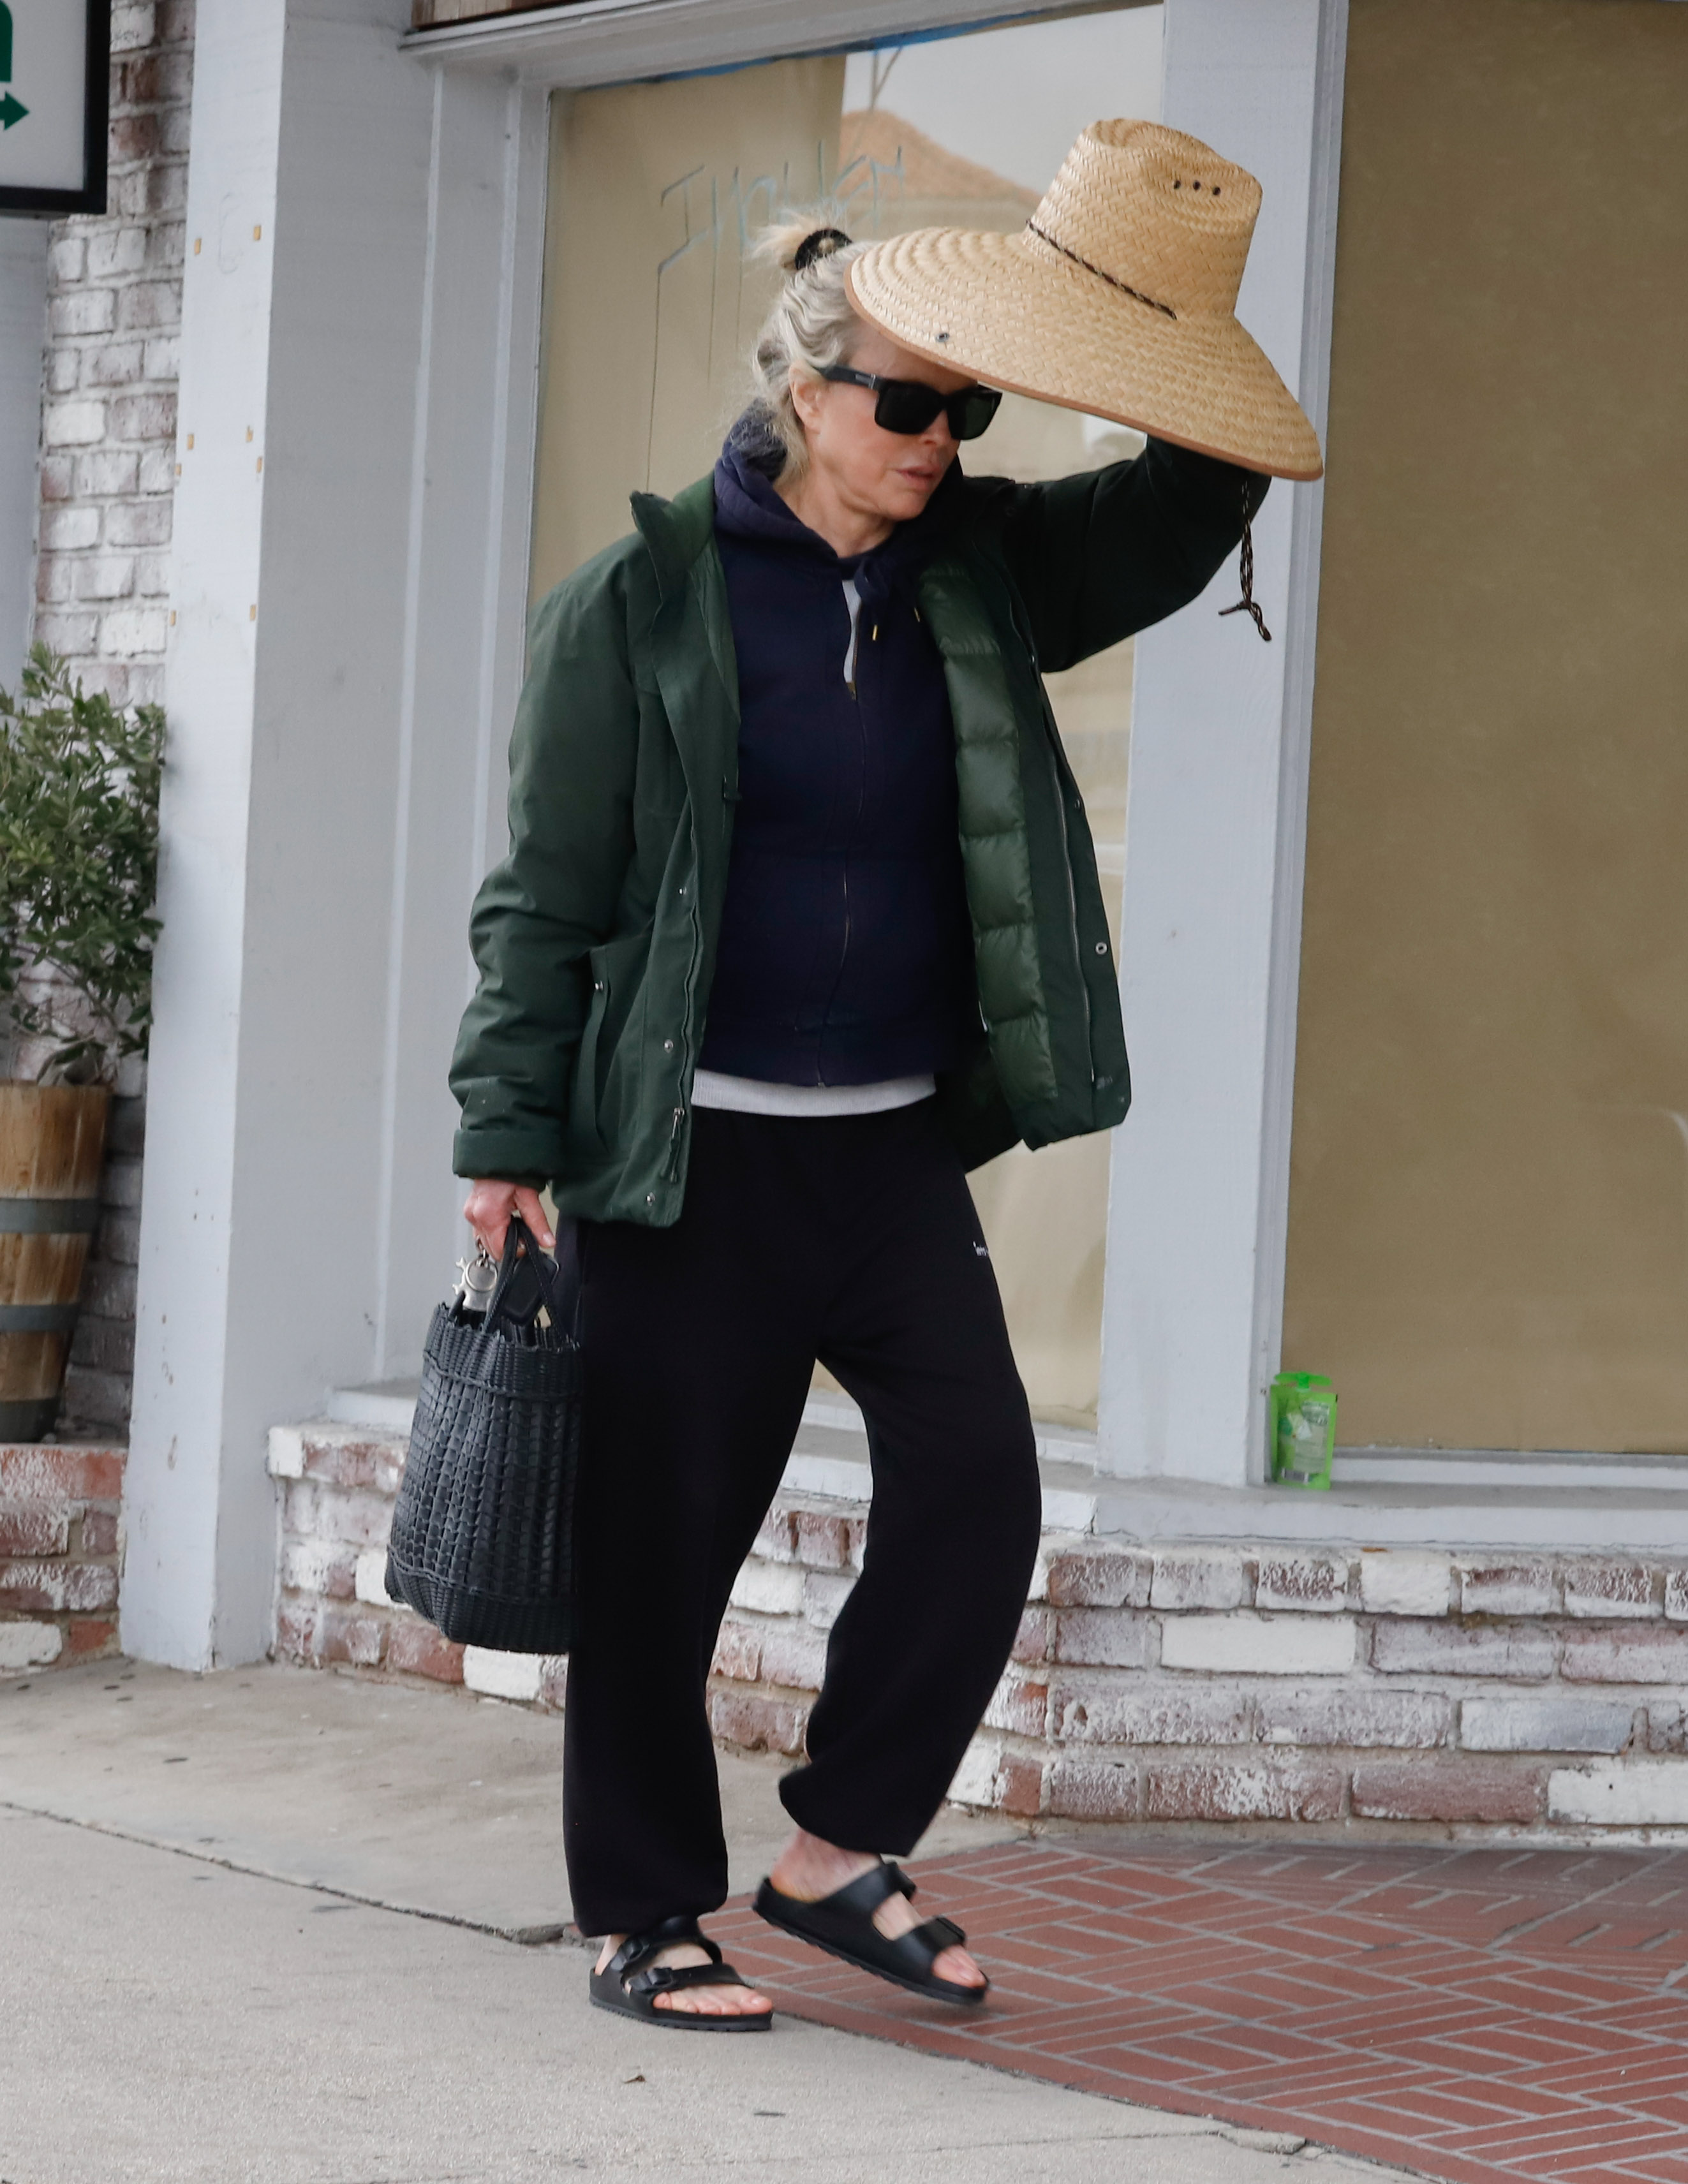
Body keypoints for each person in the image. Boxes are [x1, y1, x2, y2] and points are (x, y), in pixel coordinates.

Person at [451, 121, 1320, 2030]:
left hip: (891, 1158)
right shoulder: (641, 604)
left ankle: (839, 1846)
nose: (941, 449)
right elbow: (546, 896)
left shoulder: (983, 576)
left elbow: (1188, 510)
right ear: (804, 393)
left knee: (982, 1488)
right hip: (687, 1165)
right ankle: (643, 1910)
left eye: (969, 418)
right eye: (910, 411)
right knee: (658, 1559)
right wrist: (506, 1137)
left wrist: (1145, 326)